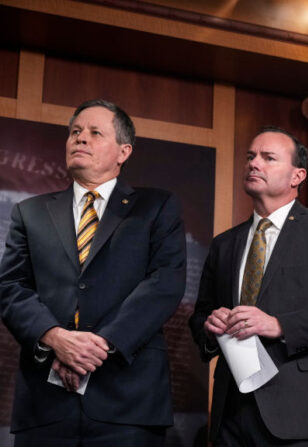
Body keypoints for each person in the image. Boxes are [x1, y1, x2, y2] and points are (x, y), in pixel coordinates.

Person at [0, 99, 187, 446]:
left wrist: (94, 347)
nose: (80, 138)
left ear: (123, 151)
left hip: (127, 403)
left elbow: (165, 283)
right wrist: (55, 338)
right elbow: (11, 287)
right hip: (45, 404)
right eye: (75, 132)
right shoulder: (30, 213)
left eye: (94, 133)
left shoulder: (157, 206)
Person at [189, 127, 308, 446]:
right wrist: (209, 325)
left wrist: (278, 324)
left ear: (297, 175)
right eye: (250, 157)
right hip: (232, 411)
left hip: (301, 411)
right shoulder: (224, 244)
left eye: (268, 158)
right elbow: (201, 313)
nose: (254, 164)